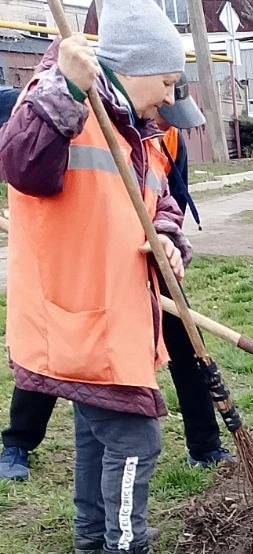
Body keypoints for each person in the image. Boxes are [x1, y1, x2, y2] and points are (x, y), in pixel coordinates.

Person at [0, 0, 196, 554]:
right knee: (137, 439)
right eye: (167, 81)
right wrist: (64, 90)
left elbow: (158, 199)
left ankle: (93, 530)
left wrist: (167, 237)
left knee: (96, 430)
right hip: (77, 310)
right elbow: (20, 166)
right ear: (134, 68)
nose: (170, 97)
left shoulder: (134, 128)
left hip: (113, 311)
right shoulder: (63, 100)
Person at [0, 72, 230, 485]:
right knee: (57, 349)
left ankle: (205, 444)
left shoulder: (168, 140)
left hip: (149, 256)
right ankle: (18, 442)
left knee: (184, 340)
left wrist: (166, 237)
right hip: (91, 257)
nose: (165, 116)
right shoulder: (106, 122)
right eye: (163, 104)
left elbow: (171, 201)